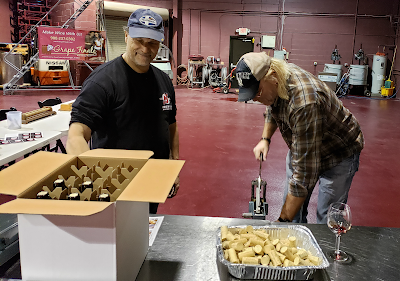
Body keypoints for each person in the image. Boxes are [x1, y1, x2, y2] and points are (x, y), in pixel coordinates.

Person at [66, 9, 179, 214]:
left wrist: (173, 167)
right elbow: (76, 135)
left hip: (153, 179)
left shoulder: (163, 80)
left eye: (152, 42)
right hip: (115, 184)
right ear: (126, 35)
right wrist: (91, 179)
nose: (145, 48)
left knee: (144, 233)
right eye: (139, 40)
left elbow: (170, 124)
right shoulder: (103, 82)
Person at [236, 52, 364, 224]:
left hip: (338, 151)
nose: (257, 100)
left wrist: (281, 222)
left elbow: (304, 173)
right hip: (305, 143)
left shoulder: (304, 101)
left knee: (327, 219)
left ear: (272, 76)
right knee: (293, 212)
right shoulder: (277, 82)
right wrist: (265, 139)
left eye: (257, 93)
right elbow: (272, 107)